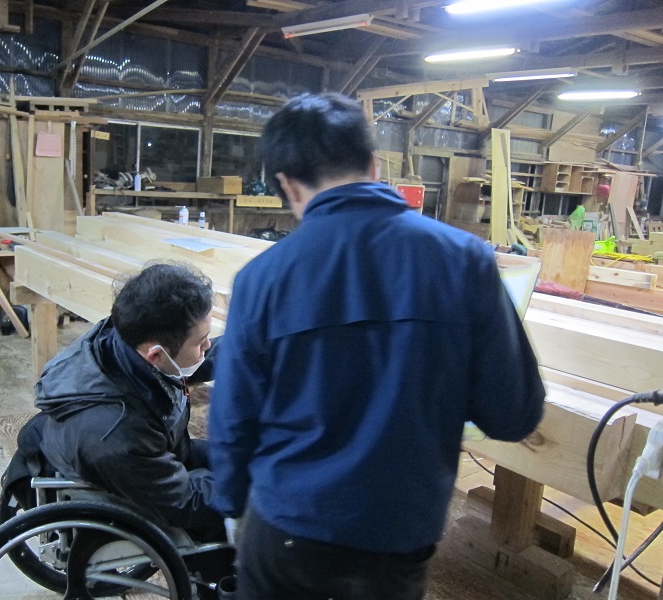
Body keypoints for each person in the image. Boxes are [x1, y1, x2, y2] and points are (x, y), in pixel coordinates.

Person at [207, 93, 546, 600]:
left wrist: (231, 504)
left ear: (286, 184)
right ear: (373, 165)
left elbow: (233, 418)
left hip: (287, 532)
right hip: (395, 541)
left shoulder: (262, 279)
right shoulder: (465, 261)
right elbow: (512, 415)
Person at [35, 262, 224, 541]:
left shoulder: (126, 334)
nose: (207, 347)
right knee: (247, 502)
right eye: (201, 341)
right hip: (135, 475)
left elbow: (192, 360)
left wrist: (254, 348)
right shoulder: (117, 431)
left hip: (157, 452)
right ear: (155, 355)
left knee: (239, 458)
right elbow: (183, 502)